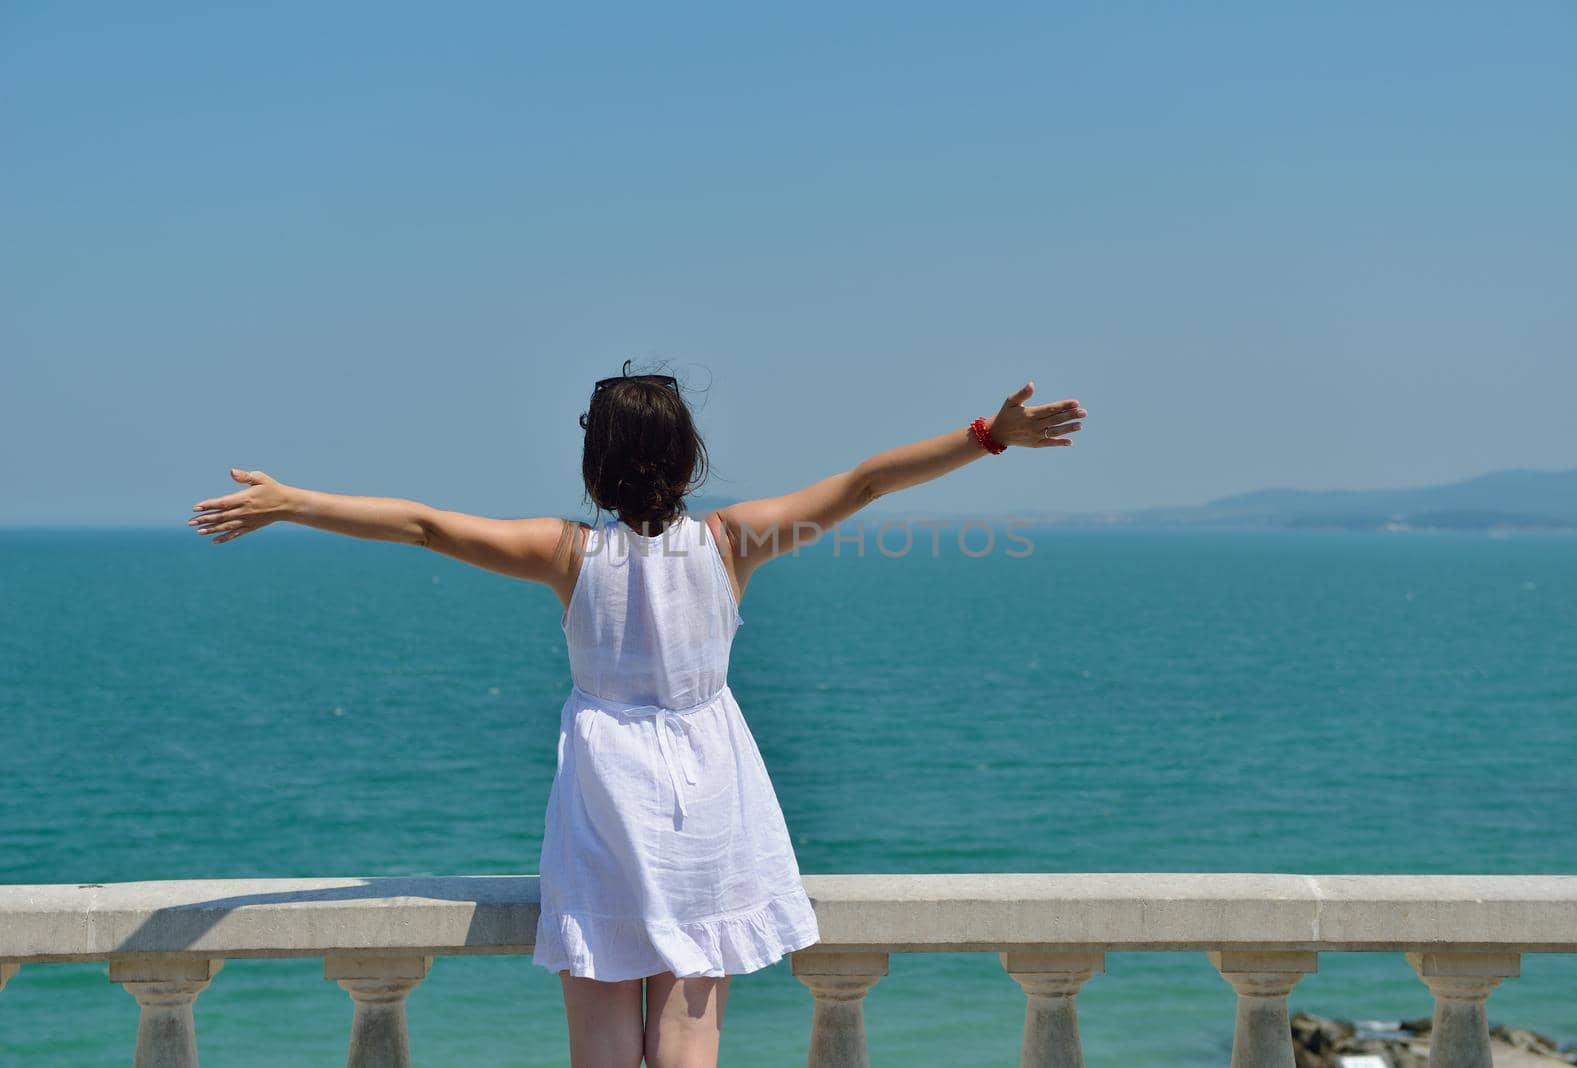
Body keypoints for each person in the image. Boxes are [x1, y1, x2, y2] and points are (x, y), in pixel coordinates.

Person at [187, 366, 1086, 1068]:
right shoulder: (734, 542)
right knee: (691, 1047)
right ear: (687, 455)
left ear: (597, 462)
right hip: (709, 809)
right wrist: (987, 437)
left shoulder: (567, 553)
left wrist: (295, 501)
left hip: (604, 810)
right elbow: (863, 485)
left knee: (603, 1050)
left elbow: (423, 525)